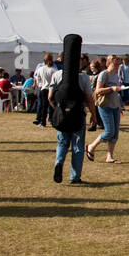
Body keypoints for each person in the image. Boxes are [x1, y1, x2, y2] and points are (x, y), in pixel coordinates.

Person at [50, 39, 93, 184]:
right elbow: (88, 98)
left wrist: (57, 109)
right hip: (78, 115)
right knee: (77, 146)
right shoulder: (83, 77)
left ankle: (59, 163)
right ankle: (75, 176)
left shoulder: (57, 75)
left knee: (62, 143)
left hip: (62, 113)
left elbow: (50, 96)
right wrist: (93, 114)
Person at [88, 55, 125, 163]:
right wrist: (111, 88)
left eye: (119, 64)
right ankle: (91, 147)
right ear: (109, 63)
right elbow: (97, 90)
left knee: (115, 134)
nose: (118, 66)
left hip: (115, 106)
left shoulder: (115, 75)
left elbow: (116, 93)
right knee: (109, 132)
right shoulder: (104, 74)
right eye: (116, 63)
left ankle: (109, 157)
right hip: (105, 106)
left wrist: (119, 106)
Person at [33, 53, 56, 126]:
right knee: (52, 105)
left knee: (44, 106)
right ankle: (52, 120)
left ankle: (43, 122)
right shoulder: (54, 69)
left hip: (44, 88)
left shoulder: (40, 69)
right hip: (52, 89)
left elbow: (38, 79)